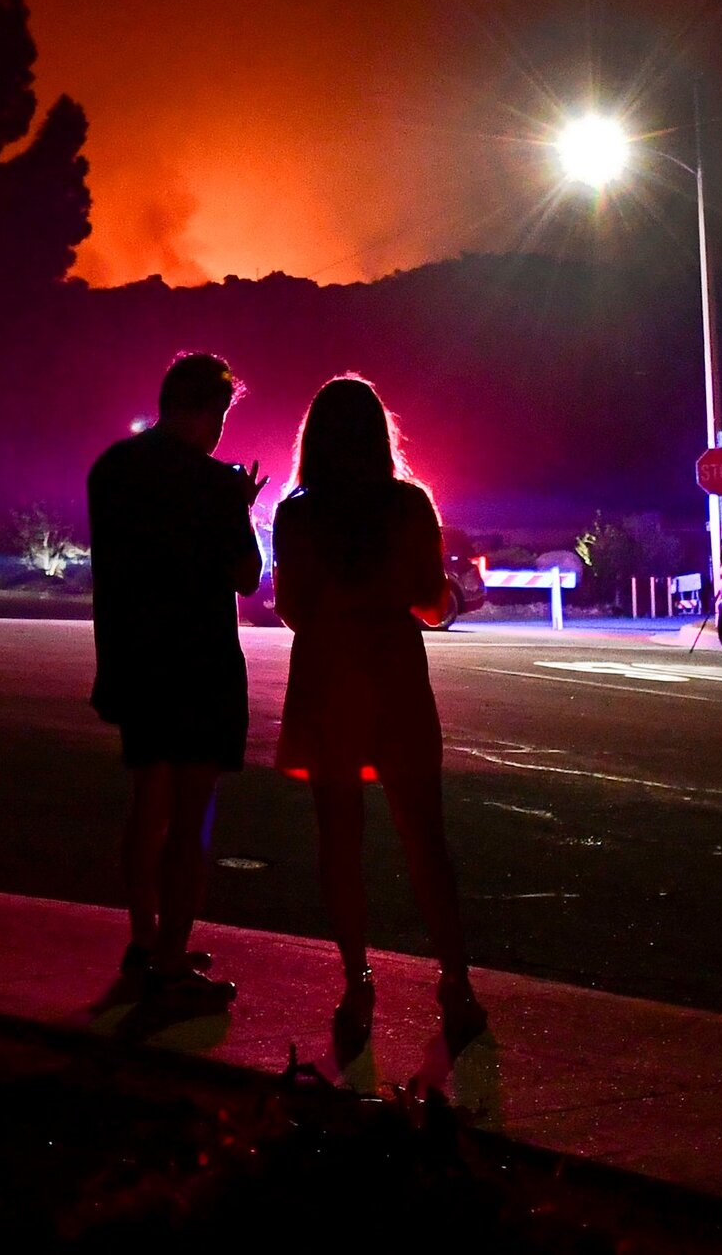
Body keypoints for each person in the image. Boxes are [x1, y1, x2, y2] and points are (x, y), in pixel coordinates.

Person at [272, 376, 493, 1073]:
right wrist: (422, 595)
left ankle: (357, 984)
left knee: (340, 841)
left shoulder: (298, 513)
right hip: (394, 676)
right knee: (425, 839)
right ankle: (454, 983)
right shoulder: (408, 505)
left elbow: (293, 610)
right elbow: (431, 600)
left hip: (327, 679)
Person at [87, 352, 266, 1018]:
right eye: (220, 415)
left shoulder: (111, 470)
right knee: (191, 817)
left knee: (146, 805)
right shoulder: (215, 484)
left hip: (135, 659)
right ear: (206, 412)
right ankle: (170, 959)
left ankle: (144, 939)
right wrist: (241, 507)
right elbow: (246, 575)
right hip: (200, 664)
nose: (221, 430)